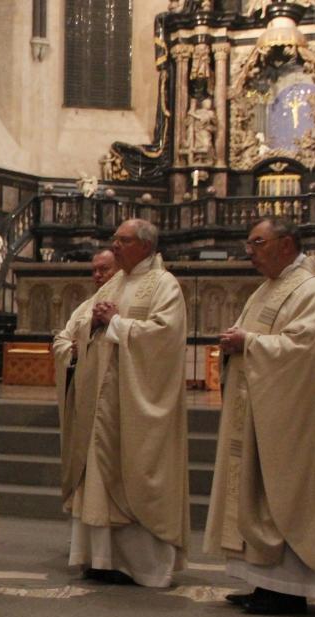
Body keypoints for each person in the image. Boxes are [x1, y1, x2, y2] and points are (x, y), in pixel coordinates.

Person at [205, 218, 315, 614]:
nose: (249, 251)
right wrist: (234, 342)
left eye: (258, 242)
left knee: (284, 490)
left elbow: (303, 350)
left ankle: (289, 587)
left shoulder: (313, 290)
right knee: (257, 491)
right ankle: (264, 582)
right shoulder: (266, 289)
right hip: (260, 410)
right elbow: (255, 336)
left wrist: (248, 342)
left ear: (287, 244)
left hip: (294, 419)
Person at [61, 219, 189, 587]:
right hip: (101, 400)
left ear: (146, 246)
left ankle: (143, 564)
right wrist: (94, 328)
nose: (115, 246)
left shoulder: (164, 285)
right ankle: (103, 558)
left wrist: (118, 323)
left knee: (132, 470)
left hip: (135, 399)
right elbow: (85, 325)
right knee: (100, 473)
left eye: (124, 240)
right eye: (114, 239)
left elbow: (166, 337)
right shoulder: (115, 282)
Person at [52, 249, 119, 430]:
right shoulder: (85, 307)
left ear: (119, 269)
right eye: (94, 270)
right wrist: (72, 351)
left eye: (104, 270)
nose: (97, 275)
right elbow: (60, 340)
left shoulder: (126, 301)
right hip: (84, 388)